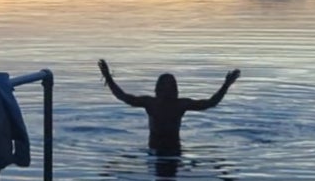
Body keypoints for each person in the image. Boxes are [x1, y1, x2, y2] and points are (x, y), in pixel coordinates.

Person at [97, 59, 240, 155]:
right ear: (158, 89)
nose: (167, 90)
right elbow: (124, 97)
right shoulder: (153, 103)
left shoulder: (178, 104)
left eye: (170, 86)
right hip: (161, 148)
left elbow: (210, 103)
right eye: (165, 86)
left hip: (168, 148)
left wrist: (226, 85)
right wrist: (108, 78)